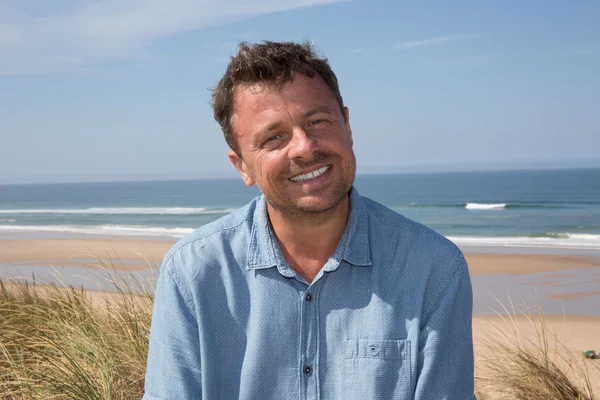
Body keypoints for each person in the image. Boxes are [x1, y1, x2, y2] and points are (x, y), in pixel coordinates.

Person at [143, 41, 475, 400]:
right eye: (274, 137)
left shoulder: (433, 268)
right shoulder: (194, 271)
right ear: (242, 166)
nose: (304, 146)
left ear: (347, 125)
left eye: (317, 121)